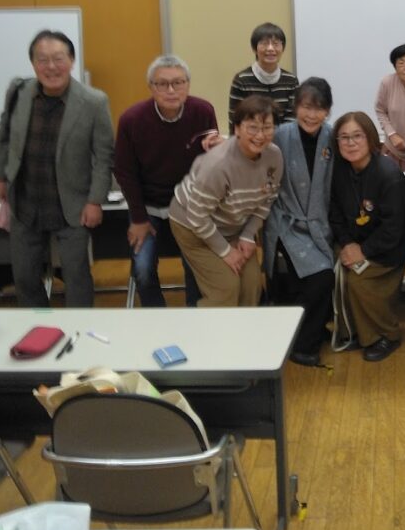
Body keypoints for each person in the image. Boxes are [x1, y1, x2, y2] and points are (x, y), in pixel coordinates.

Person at [0, 29, 114, 307]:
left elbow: (104, 156)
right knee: (24, 276)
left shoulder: (94, 102)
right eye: (42, 59)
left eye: (58, 58)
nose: (51, 67)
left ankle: (79, 328)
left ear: (71, 60)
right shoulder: (18, 92)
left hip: (72, 205)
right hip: (25, 202)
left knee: (76, 276)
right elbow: (4, 135)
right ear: (33, 63)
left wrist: (95, 200)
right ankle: (38, 326)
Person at [114, 54, 220, 308]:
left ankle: (194, 317)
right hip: (147, 208)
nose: (171, 90)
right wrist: (138, 218)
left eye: (178, 83)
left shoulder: (203, 111)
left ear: (188, 85)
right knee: (142, 269)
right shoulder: (131, 119)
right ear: (151, 87)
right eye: (162, 84)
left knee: (196, 267)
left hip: (190, 208)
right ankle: (157, 318)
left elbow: (213, 164)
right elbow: (125, 172)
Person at [169, 95, 283, 307]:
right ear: (237, 129)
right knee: (226, 288)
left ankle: (244, 330)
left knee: (252, 285)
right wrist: (225, 251)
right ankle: (206, 329)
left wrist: (248, 235)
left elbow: (268, 198)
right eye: (252, 128)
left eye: (267, 127)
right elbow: (197, 216)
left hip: (233, 226)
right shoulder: (218, 165)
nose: (260, 135)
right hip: (192, 226)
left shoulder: (274, 156)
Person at [264, 78, 336, 367]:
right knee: (319, 277)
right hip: (286, 223)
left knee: (321, 277)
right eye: (306, 107)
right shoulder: (280, 135)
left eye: (319, 108)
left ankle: (309, 331)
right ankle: (303, 344)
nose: (311, 115)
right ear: (296, 107)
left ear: (328, 111)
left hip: (320, 225)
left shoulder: (333, 137)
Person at [329, 111, 405, 361]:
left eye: (357, 136)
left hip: (387, 249)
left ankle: (386, 335)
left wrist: (362, 251)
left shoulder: (388, 174)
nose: (351, 143)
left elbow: (393, 229)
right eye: (344, 137)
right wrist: (347, 244)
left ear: (371, 138)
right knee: (335, 272)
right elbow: (335, 213)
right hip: (353, 242)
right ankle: (353, 332)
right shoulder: (338, 170)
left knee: (358, 281)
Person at [227, 22, 298, 130]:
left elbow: (291, 121)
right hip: (250, 138)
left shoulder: (291, 81)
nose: (270, 48)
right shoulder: (241, 80)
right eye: (264, 43)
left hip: (282, 139)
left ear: (282, 48)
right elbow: (235, 121)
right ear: (254, 48)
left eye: (276, 44)